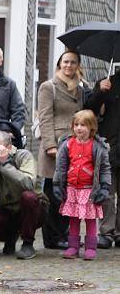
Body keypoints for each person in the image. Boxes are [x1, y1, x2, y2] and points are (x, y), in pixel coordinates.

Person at [36, 50, 86, 250]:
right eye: (65, 62)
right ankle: (51, 237)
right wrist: (50, 145)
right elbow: (45, 117)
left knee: (69, 192)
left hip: (74, 146)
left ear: (78, 66)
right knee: (53, 193)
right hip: (55, 146)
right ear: (59, 64)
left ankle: (64, 233)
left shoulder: (81, 89)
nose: (69, 66)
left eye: (73, 62)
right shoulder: (49, 87)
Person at [0, 130, 47, 259]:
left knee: (28, 197)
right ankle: (10, 236)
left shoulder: (23, 156)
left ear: (8, 147)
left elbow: (28, 184)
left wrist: (4, 164)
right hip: (8, 208)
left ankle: (28, 243)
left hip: (34, 208)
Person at [52, 110, 110, 260]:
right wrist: (58, 184)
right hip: (72, 188)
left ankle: (91, 247)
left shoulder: (98, 146)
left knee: (91, 219)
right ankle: (73, 246)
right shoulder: (67, 145)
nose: (79, 128)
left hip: (89, 189)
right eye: (76, 125)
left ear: (91, 127)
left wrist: (104, 187)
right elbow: (61, 167)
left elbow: (104, 168)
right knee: (74, 218)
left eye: (83, 125)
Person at [82, 63, 120, 249]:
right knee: (107, 192)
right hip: (110, 146)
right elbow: (89, 110)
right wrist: (100, 92)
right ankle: (106, 232)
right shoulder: (106, 82)